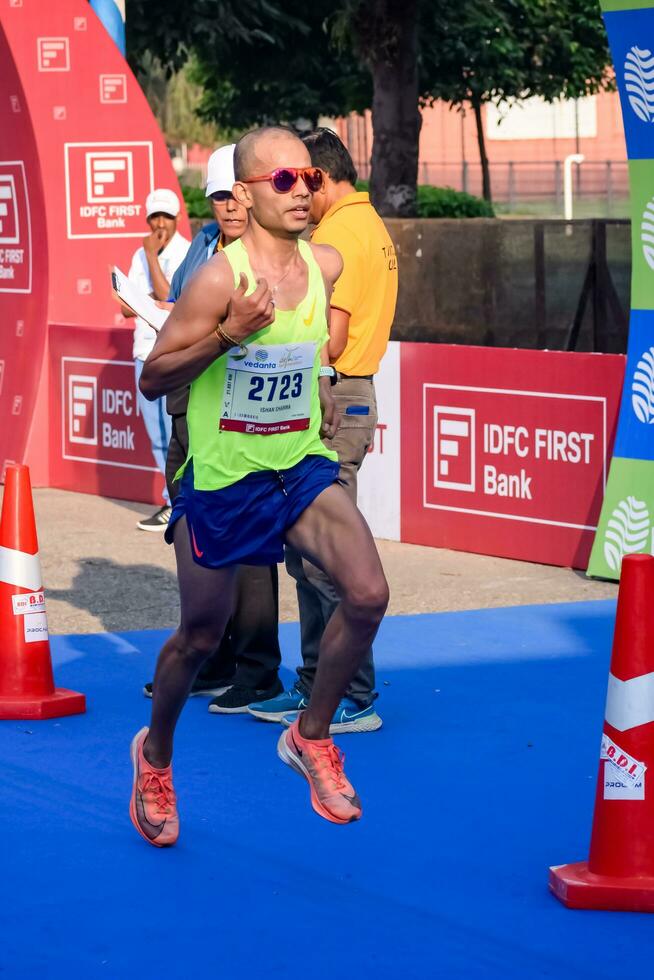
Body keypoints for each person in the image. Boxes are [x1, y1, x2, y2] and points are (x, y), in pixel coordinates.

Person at [129, 126, 389, 846]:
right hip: (220, 481)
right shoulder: (221, 279)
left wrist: (326, 384)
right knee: (199, 634)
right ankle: (154, 757)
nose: (302, 189)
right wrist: (226, 337)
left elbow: (311, 349)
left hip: (297, 467)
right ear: (244, 194)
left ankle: (311, 736)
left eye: (307, 177)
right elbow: (154, 376)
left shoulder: (325, 264)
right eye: (283, 181)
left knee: (368, 594)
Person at [248, 128, 398, 734]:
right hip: (347, 395)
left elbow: (328, 339)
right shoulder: (371, 226)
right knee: (318, 553)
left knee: (326, 559)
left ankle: (344, 693)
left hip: (336, 396)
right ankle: (323, 683)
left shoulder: (338, 236)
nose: (297, 193)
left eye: (301, 179)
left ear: (323, 177)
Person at [142, 145, 283, 709]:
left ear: (252, 196)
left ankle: (257, 669)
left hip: (244, 422)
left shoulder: (270, 255)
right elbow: (175, 310)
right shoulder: (202, 245)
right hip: (190, 408)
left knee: (251, 551)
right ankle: (214, 657)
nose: (227, 207)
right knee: (195, 537)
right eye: (218, 197)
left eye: (235, 196)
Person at [126, 188, 190, 531]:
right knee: (156, 435)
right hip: (143, 353)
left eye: (165, 217)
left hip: (172, 354)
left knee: (177, 433)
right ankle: (170, 500)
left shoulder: (183, 250)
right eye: (154, 217)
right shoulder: (139, 253)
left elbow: (170, 297)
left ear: (177, 218)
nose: (159, 224)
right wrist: (146, 297)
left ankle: (177, 503)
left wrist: (152, 261)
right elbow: (124, 304)